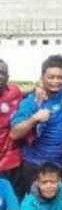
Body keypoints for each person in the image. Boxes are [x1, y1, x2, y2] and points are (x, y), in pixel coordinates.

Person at [10, 56, 62, 196]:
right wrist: (34, 119)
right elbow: (14, 134)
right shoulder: (32, 102)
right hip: (35, 164)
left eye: (59, 77)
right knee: (37, 206)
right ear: (42, 77)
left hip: (61, 163)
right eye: (51, 77)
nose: (55, 81)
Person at [0, 60, 24, 195]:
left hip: (13, 162)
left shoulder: (14, 92)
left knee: (16, 203)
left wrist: (39, 89)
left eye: (2, 73)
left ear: (7, 77)